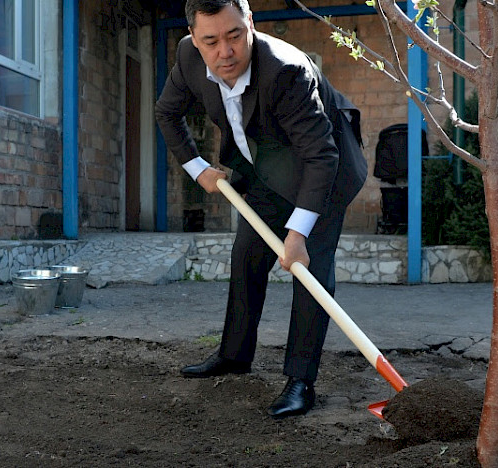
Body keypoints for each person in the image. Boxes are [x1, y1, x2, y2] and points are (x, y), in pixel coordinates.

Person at [155, 0, 367, 419]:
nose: (225, 52)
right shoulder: (188, 57)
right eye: (211, 41)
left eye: (235, 35)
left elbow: (320, 156)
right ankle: (234, 355)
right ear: (194, 39)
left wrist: (297, 234)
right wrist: (197, 169)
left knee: (309, 273)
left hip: (324, 172)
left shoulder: (287, 70)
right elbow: (167, 112)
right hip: (266, 167)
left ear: (250, 22)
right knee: (247, 254)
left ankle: (301, 380)